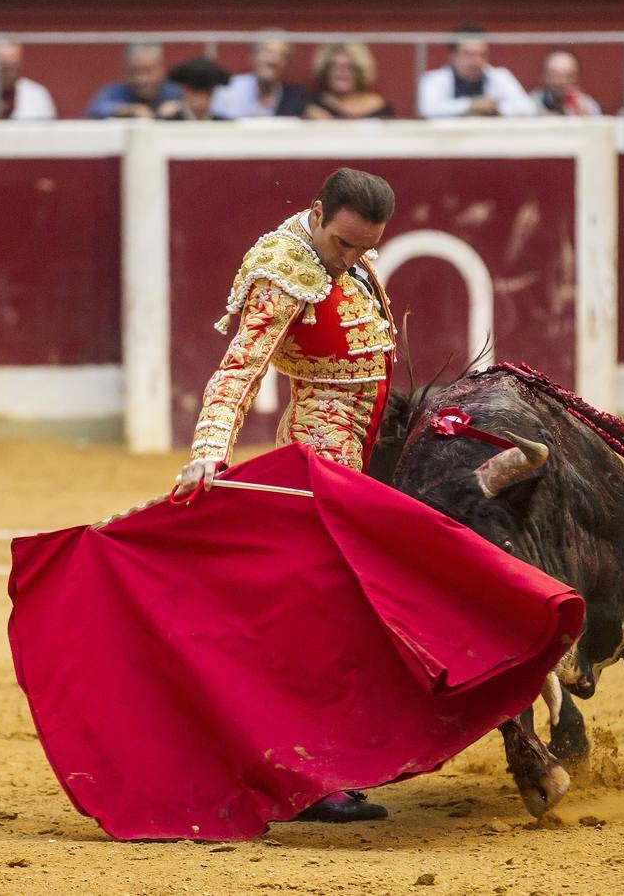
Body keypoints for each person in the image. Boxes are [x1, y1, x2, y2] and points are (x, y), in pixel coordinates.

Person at [175, 169, 397, 823]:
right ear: (317, 212)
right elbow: (238, 370)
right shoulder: (281, 269)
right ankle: (303, 775)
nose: (354, 259)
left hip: (368, 452)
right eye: (344, 245)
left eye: (366, 248)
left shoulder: (345, 252)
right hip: (320, 461)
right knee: (315, 621)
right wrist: (209, 451)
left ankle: (339, 759)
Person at [417, 27, 538, 118]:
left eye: (482, 54)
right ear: (453, 56)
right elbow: (426, 108)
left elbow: (528, 108)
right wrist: (471, 105)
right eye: (469, 54)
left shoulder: (499, 76)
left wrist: (495, 109)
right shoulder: (434, 79)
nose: (477, 61)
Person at [210, 37, 309, 118]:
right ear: (252, 56)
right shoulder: (228, 89)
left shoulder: (294, 97)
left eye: (283, 55)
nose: (274, 60)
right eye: (267, 52)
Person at [86, 43, 183, 119]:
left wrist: (181, 108)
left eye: (148, 71)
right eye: (134, 71)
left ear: (161, 69)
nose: (141, 79)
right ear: (125, 70)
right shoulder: (114, 92)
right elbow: (95, 109)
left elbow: (195, 105)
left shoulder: (176, 92)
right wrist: (128, 110)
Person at [303, 43, 393, 120]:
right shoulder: (312, 107)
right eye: (335, 66)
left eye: (349, 67)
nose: (342, 71)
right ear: (325, 70)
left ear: (360, 71)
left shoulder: (380, 108)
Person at [530, 49, 601, 116]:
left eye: (568, 76)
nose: (562, 81)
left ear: (577, 78)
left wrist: (585, 116)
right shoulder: (530, 104)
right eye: (555, 75)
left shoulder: (587, 105)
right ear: (544, 77)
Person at [164, 56, 231, 120]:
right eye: (195, 91)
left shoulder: (226, 125)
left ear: (212, 93)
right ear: (184, 91)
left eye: (206, 92)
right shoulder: (165, 123)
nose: (201, 98)